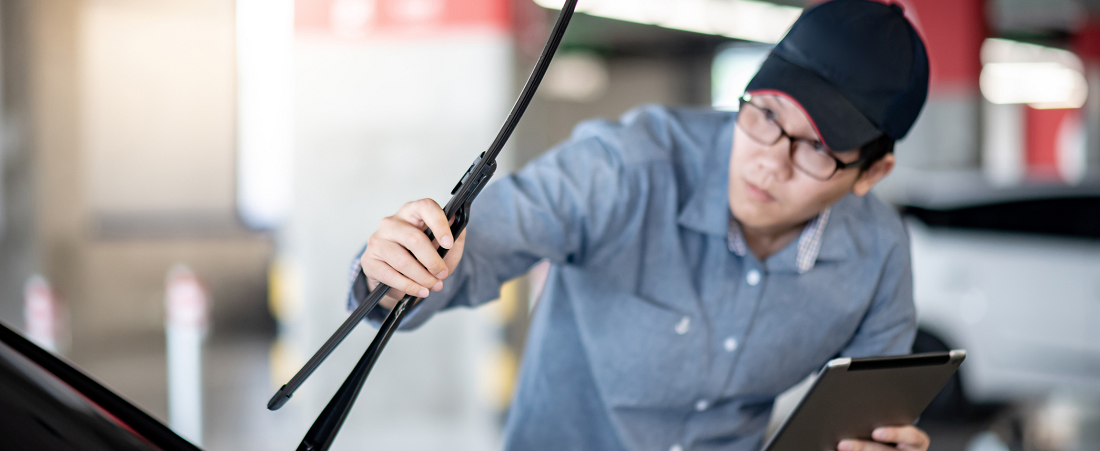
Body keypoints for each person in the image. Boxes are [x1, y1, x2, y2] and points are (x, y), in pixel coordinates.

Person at [349, 1, 933, 450]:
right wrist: (397, 270)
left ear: (872, 172)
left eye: (816, 149)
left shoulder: (878, 255)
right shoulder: (626, 167)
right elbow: (477, 247)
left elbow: (865, 421)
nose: (769, 161)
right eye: (765, 114)